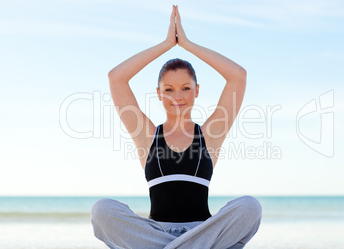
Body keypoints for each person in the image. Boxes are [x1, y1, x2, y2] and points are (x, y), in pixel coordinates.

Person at [91, 5, 262, 249]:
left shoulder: (210, 135)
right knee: (102, 210)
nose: (177, 96)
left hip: (203, 232)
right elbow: (116, 77)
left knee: (250, 207)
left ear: (197, 91)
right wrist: (166, 44)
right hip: (155, 234)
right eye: (169, 90)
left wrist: (187, 43)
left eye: (185, 88)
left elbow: (238, 76)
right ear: (159, 94)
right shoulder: (148, 136)